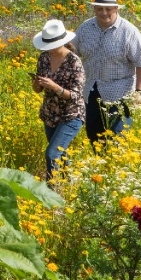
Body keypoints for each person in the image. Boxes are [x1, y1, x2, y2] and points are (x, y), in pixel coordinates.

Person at [72, 0, 141, 144]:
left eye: (108, 9)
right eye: (100, 9)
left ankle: (117, 167)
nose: (104, 13)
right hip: (91, 92)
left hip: (120, 94)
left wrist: (139, 92)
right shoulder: (85, 28)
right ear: (94, 9)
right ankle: (100, 166)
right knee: (94, 135)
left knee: (117, 138)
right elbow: (72, 53)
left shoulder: (129, 32)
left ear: (116, 9)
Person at [31, 19, 85, 181]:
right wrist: (37, 85)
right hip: (50, 114)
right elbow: (38, 90)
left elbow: (75, 96)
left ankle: (52, 190)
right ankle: (67, 183)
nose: (47, 49)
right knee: (61, 153)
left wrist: (55, 87)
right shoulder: (44, 58)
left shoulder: (74, 62)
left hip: (71, 115)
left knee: (52, 154)